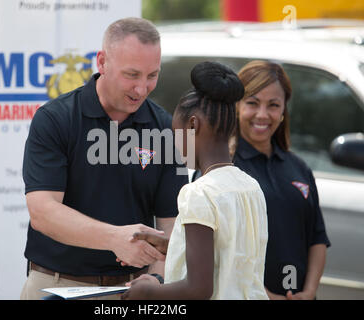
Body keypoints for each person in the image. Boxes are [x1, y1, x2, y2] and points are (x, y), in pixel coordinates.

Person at [20, 17, 188, 300]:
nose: (142, 88)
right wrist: (114, 239)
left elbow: (172, 225)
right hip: (57, 286)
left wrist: (158, 276)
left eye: (152, 75)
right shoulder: (54, 119)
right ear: (102, 62)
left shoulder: (167, 128)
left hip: (134, 290)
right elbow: (42, 212)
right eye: (132, 75)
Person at [121, 61, 269, 300]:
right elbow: (227, 252)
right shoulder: (251, 187)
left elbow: (198, 289)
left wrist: (150, 291)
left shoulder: (198, 193)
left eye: (176, 134)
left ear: (192, 125)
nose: (175, 145)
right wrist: (172, 242)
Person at [233, 60, 331, 300]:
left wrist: (308, 292)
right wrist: (263, 295)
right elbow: (222, 249)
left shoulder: (298, 168)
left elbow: (317, 238)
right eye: (252, 103)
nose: (263, 115)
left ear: (284, 109)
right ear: (237, 105)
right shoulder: (226, 168)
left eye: (273, 105)